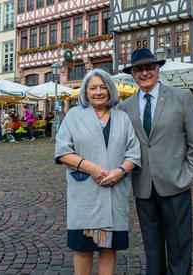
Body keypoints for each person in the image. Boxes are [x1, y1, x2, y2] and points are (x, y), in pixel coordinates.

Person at [119, 48, 193, 275]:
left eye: (149, 68)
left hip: (176, 182)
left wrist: (192, 173)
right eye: (139, 70)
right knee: (152, 246)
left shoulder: (181, 97)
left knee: (179, 243)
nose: (144, 73)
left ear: (158, 71)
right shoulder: (125, 107)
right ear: (133, 75)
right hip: (143, 186)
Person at [55, 69, 141, 275]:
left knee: (109, 248)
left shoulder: (122, 117)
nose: (98, 92)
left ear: (110, 90)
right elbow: (63, 152)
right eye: (93, 87)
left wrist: (121, 172)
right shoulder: (74, 116)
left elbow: (134, 153)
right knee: (84, 249)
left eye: (103, 87)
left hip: (114, 193)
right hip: (86, 193)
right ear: (85, 91)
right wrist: (91, 168)